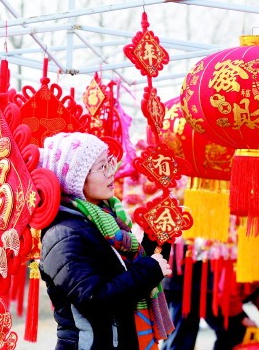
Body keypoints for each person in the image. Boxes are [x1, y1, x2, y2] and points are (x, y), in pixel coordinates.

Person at [38, 132, 173, 350]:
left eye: (109, 163)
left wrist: (157, 238)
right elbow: (95, 299)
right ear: (76, 177)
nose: (112, 173)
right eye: (102, 167)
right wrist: (149, 270)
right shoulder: (62, 234)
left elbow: (129, 273)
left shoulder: (107, 221)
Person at [162, 252, 259, 350]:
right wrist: (240, 318)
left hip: (208, 293)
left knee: (235, 332)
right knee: (182, 335)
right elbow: (229, 290)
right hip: (187, 287)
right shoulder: (247, 259)